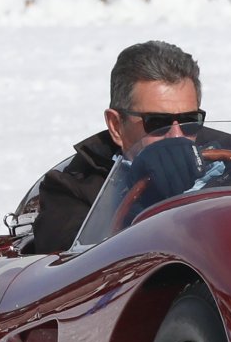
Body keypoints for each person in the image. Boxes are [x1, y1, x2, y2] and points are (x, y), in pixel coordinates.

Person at [32, 41, 206, 254]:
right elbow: (73, 260)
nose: (177, 135)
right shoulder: (72, 193)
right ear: (116, 126)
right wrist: (143, 198)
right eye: (157, 123)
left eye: (189, 121)